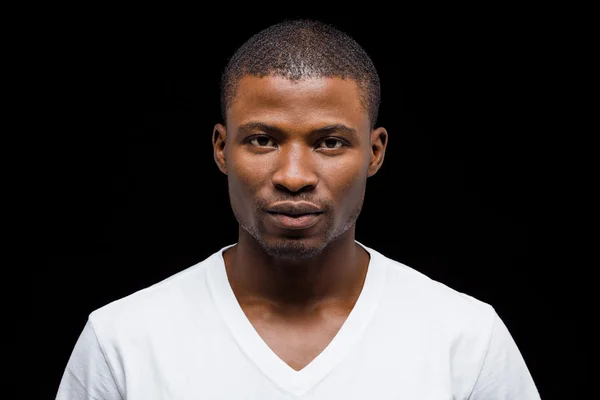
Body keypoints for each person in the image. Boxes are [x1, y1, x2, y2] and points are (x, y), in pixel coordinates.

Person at [56, 19, 541, 399]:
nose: (293, 175)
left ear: (375, 152)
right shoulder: (123, 341)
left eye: (329, 142)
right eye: (262, 140)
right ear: (222, 148)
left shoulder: (467, 341)